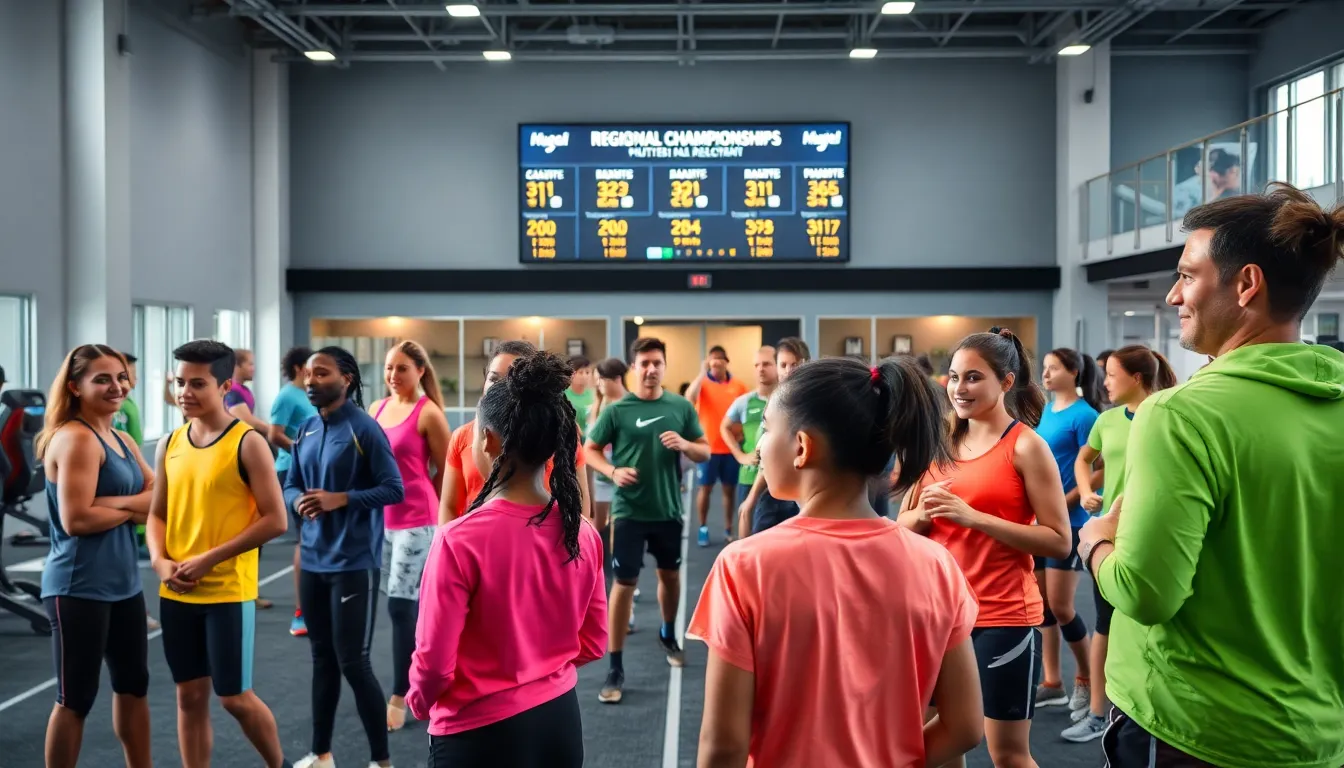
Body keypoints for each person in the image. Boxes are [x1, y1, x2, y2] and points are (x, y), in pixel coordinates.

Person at [1079, 185, 1344, 767]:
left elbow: (1146, 594)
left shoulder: (1179, 414)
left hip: (1192, 730)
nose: (1174, 294)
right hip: (1316, 732)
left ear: (1246, 284)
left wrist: (1096, 543)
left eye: (1187, 276)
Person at [690, 356, 983, 767]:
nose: (758, 445)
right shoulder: (937, 565)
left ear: (802, 447)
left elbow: (723, 748)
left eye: (768, 429)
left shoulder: (744, 566)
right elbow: (966, 726)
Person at [407, 349, 607, 767]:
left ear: (487, 440)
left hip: (476, 732)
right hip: (559, 721)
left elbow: (434, 665)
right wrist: (539, 668)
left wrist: (419, 702)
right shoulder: (582, 533)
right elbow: (593, 641)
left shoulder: (459, 541)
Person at [898, 327, 1072, 768]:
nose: (960, 388)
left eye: (974, 378)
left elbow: (1058, 539)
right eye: (954, 377)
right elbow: (904, 520)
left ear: (1006, 382)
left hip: (1002, 618)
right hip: (937, 618)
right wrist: (918, 520)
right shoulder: (940, 443)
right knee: (936, 748)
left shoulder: (1027, 447)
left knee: (1008, 755)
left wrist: (972, 517)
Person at [146, 340, 288, 768]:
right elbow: (157, 515)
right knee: (188, 696)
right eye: (179, 382)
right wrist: (159, 562)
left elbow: (275, 520)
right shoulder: (170, 442)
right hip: (176, 592)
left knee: (233, 698)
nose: (184, 392)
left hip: (227, 592)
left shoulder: (247, 443)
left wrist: (209, 558)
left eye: (197, 384)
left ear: (225, 385)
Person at [285, 346, 404, 768]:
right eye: (308, 375)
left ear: (347, 379)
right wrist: (297, 498)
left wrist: (342, 499)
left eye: (322, 373)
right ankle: (321, 755)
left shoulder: (365, 429)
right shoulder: (305, 430)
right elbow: (291, 482)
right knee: (322, 659)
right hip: (314, 563)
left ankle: (381, 761)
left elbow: (394, 489)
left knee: (354, 662)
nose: (311, 381)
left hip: (354, 564)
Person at [36, 345, 154, 768]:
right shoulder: (76, 438)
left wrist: (115, 504)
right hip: (78, 586)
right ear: (75, 386)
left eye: (120, 377)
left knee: (134, 685)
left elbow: (160, 495)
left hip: (123, 584)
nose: (116, 386)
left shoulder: (119, 437)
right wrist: (131, 505)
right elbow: (77, 520)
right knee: (76, 699)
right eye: (102, 379)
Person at [585, 336, 710, 704]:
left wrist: (686, 446)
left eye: (657, 363)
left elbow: (704, 450)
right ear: (634, 368)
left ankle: (669, 633)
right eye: (645, 363)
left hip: (668, 510)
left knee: (669, 577)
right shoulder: (617, 410)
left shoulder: (679, 407)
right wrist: (612, 470)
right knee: (623, 583)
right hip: (628, 511)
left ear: (664, 367)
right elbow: (588, 450)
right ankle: (616, 664)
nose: (651, 369)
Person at [1062, 344, 1177, 743]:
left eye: (1111, 374)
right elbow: (1084, 460)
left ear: (1137, 378)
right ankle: (1097, 712)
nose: (1104, 382)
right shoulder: (1107, 421)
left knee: (1153, 622)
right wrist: (1084, 490)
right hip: (1109, 535)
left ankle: (1144, 710)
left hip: (1152, 532)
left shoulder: (1166, 412)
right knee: (1105, 624)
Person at [368, 340, 451, 733]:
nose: (393, 376)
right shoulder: (376, 410)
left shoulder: (429, 414)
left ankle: (403, 691)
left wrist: (425, 499)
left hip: (418, 520)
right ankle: (428, 668)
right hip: (380, 521)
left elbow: (446, 471)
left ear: (420, 370)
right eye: (388, 368)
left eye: (401, 368)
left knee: (400, 608)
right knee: (402, 606)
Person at [440, 341, 590, 524]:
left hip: (544, 543)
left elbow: (580, 506)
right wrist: (448, 541)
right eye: (494, 379)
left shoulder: (556, 434)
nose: (500, 387)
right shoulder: (462, 437)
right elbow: (449, 507)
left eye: (512, 378)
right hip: (476, 543)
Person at [1032, 348, 1102, 719]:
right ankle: (1052, 682)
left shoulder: (1086, 415)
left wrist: (1067, 500)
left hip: (1070, 522)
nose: (1045, 374)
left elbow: (1098, 468)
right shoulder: (1046, 410)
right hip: (1042, 519)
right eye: (1044, 368)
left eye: (1053, 368)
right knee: (1041, 605)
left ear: (1073, 372)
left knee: (1061, 606)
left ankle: (1086, 679)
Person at [735, 337, 811, 539]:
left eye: (794, 364)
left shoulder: (810, 404)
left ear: (805, 363)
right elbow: (767, 457)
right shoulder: (775, 402)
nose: (788, 370)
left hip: (803, 492)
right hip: (773, 490)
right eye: (783, 365)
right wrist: (752, 498)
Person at [268, 345, 318, 637]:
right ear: (300, 368)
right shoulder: (287, 395)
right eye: (311, 368)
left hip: (312, 468)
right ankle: (301, 612)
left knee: (314, 537)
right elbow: (274, 433)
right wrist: (302, 454)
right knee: (305, 538)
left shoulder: (307, 394)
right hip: (292, 469)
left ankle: (314, 606)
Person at [685, 345, 748, 546]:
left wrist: (741, 435)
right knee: (705, 489)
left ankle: (729, 529)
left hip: (730, 448)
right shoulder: (702, 384)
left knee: (729, 491)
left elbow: (745, 412)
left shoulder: (738, 385)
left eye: (721, 358)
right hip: (708, 449)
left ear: (726, 361)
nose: (717, 361)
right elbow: (689, 398)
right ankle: (703, 527)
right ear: (708, 361)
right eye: (713, 358)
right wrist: (701, 372)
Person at [719, 346, 778, 528]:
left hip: (779, 479)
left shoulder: (786, 400)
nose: (761, 368)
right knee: (747, 521)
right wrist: (740, 456)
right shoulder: (744, 402)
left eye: (767, 364)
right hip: (749, 477)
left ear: (777, 366)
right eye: (757, 365)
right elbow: (724, 427)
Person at [224, 348, 270, 435]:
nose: (253, 369)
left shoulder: (243, 389)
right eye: (250, 364)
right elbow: (247, 420)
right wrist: (275, 432)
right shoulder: (231, 390)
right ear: (237, 366)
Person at [564, 354, 595, 437]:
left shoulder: (594, 395)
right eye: (580, 372)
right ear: (571, 374)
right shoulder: (563, 396)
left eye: (587, 372)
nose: (584, 376)